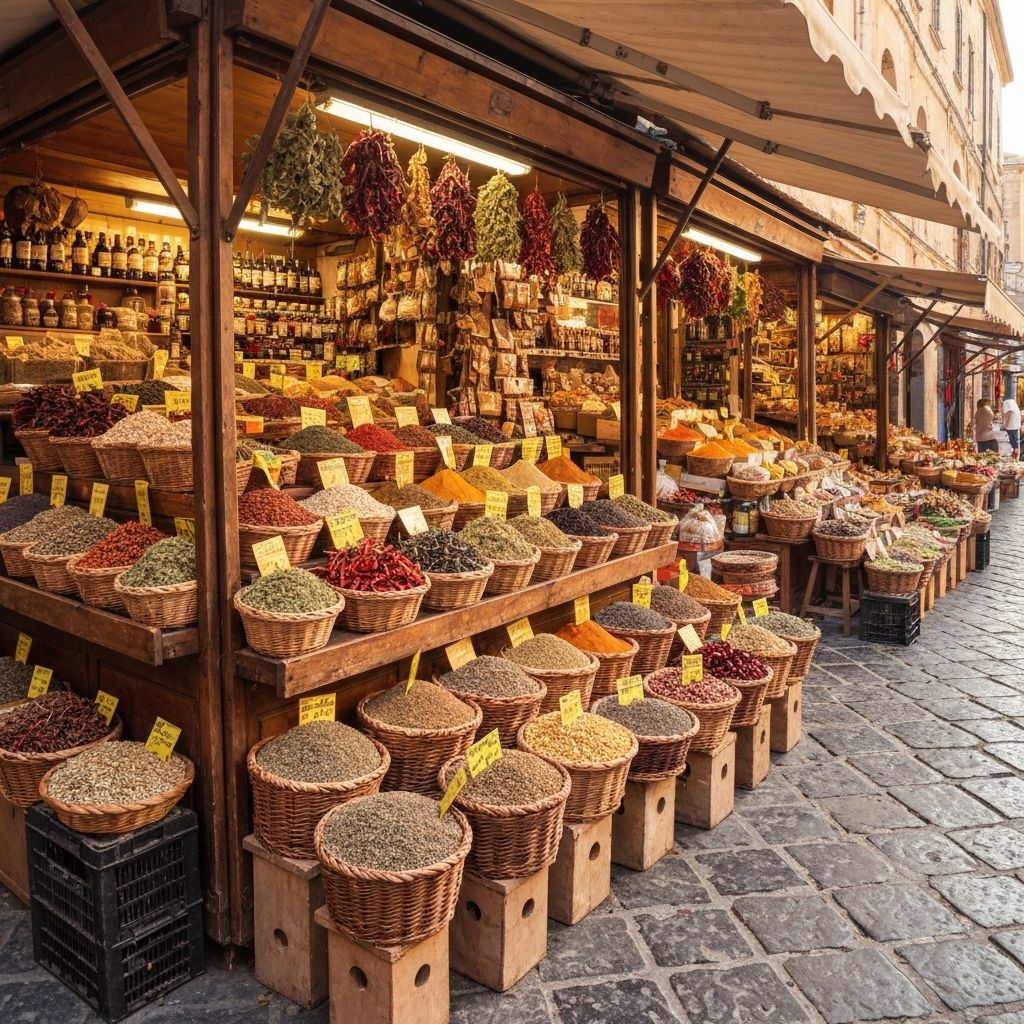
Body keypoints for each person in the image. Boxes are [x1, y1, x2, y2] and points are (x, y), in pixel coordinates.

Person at [1002, 395, 1021, 460]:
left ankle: (1015, 454)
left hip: (1011, 426)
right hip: (1014, 425)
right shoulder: (1013, 404)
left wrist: (1005, 424)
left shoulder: (1008, 404)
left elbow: (1009, 413)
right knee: (1014, 440)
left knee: (1013, 441)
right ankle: (1015, 454)